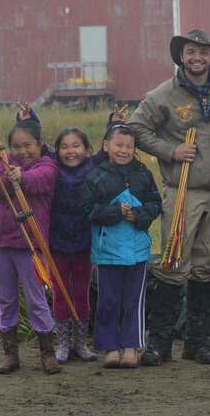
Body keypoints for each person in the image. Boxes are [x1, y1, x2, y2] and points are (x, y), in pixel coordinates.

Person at [130, 28, 210, 366]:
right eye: (191, 52)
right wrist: (170, 150)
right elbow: (136, 129)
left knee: (207, 268)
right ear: (181, 55)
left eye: (204, 53)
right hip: (182, 193)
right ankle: (160, 344)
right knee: (173, 264)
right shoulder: (163, 94)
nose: (197, 58)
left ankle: (198, 342)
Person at [17, 102, 127, 364]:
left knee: (81, 293)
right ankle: (63, 345)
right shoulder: (51, 164)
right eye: (64, 146)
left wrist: (115, 123)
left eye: (76, 146)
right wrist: (28, 118)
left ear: (87, 149)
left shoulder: (94, 165)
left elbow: (107, 147)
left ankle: (81, 344)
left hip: (84, 241)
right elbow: (35, 142)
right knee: (59, 293)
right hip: (55, 241)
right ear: (57, 150)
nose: (70, 151)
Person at [0, 119, 60, 375]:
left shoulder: (47, 165)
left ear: (39, 143)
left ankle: (48, 354)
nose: (22, 151)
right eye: (16, 146)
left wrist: (21, 176)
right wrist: (5, 168)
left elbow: (39, 181)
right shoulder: (4, 164)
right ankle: (10, 354)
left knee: (37, 299)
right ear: (9, 148)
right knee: (5, 300)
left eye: (28, 145)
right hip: (0, 242)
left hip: (31, 244)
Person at [80, 124, 161, 369]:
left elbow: (155, 203)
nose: (124, 150)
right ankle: (110, 348)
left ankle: (130, 348)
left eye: (129, 146)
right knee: (108, 300)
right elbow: (87, 209)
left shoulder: (143, 174)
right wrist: (115, 211)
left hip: (137, 252)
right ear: (106, 146)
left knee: (134, 301)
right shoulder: (96, 176)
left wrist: (139, 215)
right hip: (107, 252)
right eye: (118, 145)